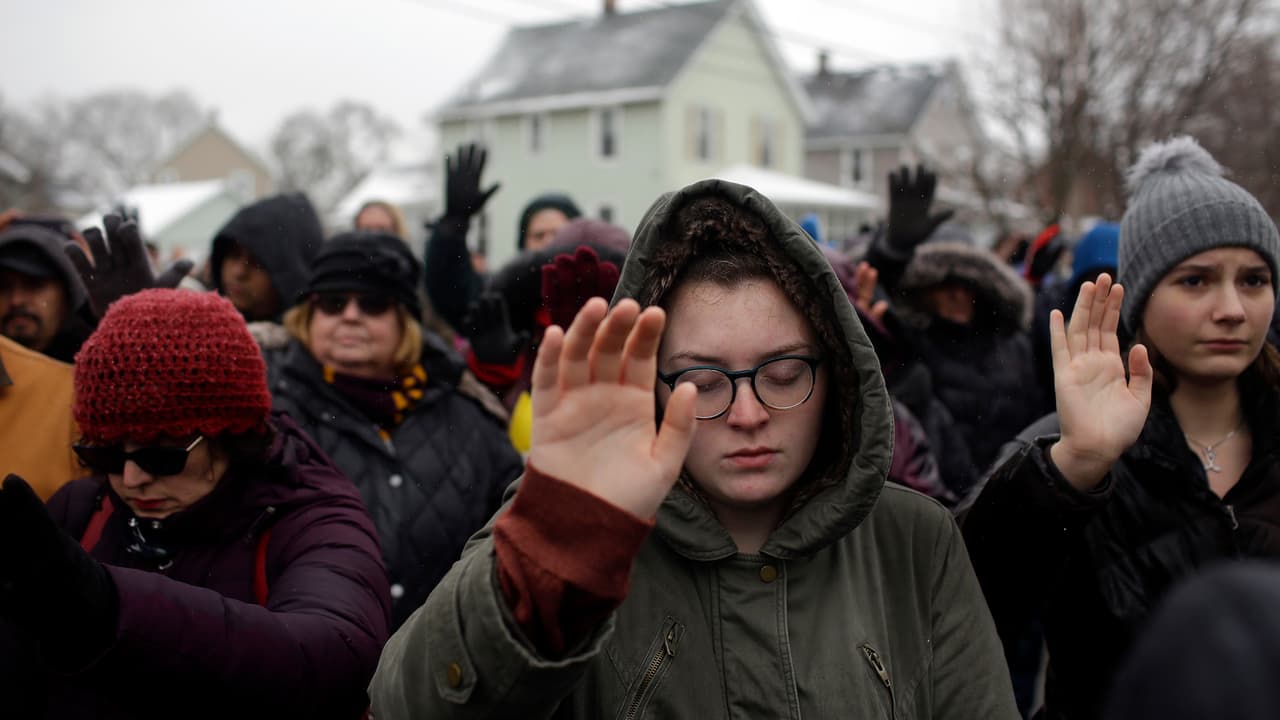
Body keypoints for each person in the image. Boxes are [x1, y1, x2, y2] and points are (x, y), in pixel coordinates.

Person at [370, 179, 1018, 718]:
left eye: (786, 373)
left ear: (839, 375)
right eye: (702, 382)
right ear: (649, 384)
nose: (747, 413)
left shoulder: (915, 541)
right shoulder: (574, 531)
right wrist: (553, 545)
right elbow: (409, 703)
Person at [962, 136, 1280, 720]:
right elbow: (952, 615)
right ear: (1136, 299)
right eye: (1196, 280)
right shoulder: (1069, 447)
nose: (1232, 308)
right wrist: (1071, 471)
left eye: (1254, 280)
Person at [0, 288, 390, 719]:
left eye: (161, 454)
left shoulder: (312, 517)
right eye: (106, 453)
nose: (131, 479)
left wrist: (111, 607)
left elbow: (335, 657)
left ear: (232, 437)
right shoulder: (83, 510)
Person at [268, 231, 522, 627]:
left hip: (438, 669)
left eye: (372, 304)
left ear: (405, 320)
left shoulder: (466, 416)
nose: (350, 315)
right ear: (308, 315)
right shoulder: (268, 409)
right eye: (333, 303)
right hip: (309, 665)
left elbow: (517, 536)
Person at [423, 143, 582, 333]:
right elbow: (456, 297)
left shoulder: (598, 292)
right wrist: (453, 224)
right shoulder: (505, 297)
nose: (548, 242)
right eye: (538, 235)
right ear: (523, 244)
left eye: (557, 234)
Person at [209, 192, 323, 323]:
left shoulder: (322, 340)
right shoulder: (201, 331)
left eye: (257, 261)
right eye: (233, 256)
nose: (239, 272)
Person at [0, 213, 95, 362]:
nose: (16, 300)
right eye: (3, 287)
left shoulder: (99, 371)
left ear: (68, 292)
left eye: (34, 284)